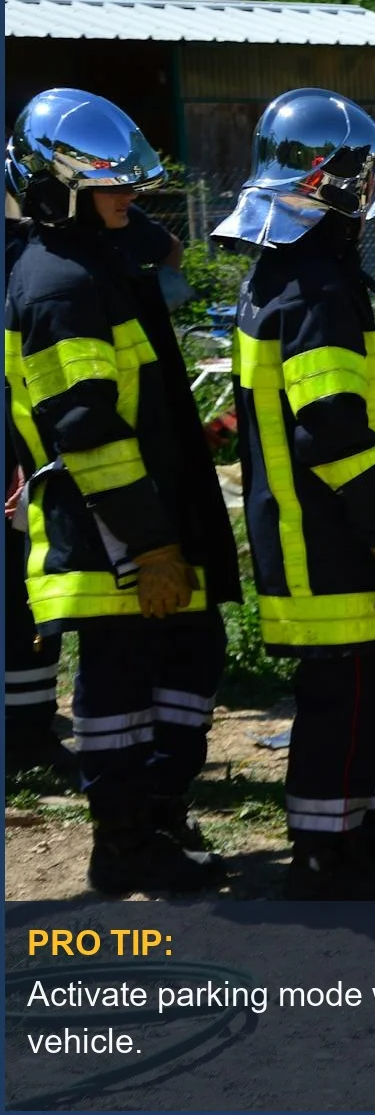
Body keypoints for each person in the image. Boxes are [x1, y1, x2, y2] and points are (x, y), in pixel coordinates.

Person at [212, 88, 375, 900]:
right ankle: (328, 853)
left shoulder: (291, 277)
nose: (374, 204)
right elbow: (331, 432)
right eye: (365, 187)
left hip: (331, 532)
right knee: (347, 700)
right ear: (329, 188)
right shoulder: (315, 292)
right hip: (332, 542)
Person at [3, 88, 241, 893]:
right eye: (109, 183)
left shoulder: (93, 265)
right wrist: (152, 545)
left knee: (191, 654)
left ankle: (157, 812)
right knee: (119, 684)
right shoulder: (61, 287)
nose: (128, 194)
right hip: (113, 534)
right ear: (59, 191)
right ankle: (123, 841)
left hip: (145, 521)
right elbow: (87, 431)